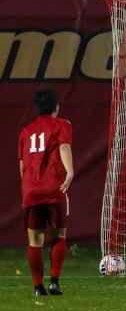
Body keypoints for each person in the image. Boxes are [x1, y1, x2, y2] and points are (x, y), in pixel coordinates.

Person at [19, 89, 74, 297]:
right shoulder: (63, 124)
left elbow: (22, 167)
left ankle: (37, 287)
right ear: (56, 107)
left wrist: (28, 188)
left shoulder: (25, 131)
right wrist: (70, 172)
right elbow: (64, 147)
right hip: (54, 187)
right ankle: (54, 282)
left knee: (35, 239)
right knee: (59, 234)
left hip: (31, 189)